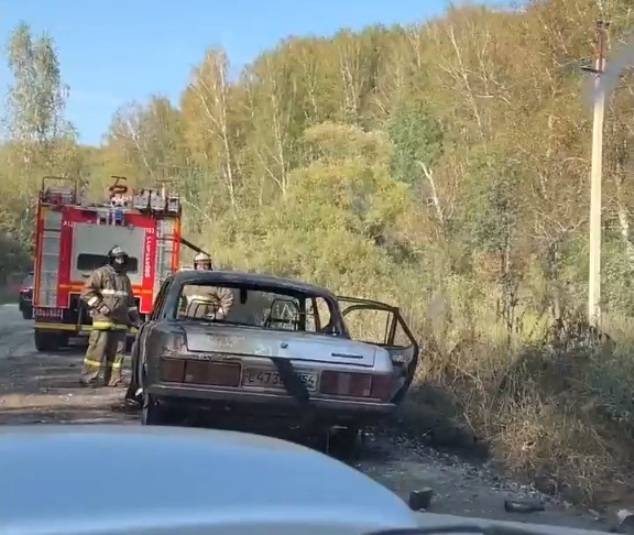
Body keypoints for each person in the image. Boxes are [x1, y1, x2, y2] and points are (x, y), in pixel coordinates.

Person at [80, 246, 140, 387]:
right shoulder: (100, 273)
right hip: (103, 321)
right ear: (111, 259)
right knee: (96, 352)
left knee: (117, 354)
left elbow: (130, 302)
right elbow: (86, 293)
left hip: (120, 323)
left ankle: (114, 379)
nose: (120, 261)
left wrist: (136, 319)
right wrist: (100, 306)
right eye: (118, 258)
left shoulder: (124, 278)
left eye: (122, 259)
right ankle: (89, 377)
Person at [182, 252, 234, 320]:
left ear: (209, 265)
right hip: (189, 320)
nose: (202, 267)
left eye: (205, 264)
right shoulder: (189, 282)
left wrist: (219, 315)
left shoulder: (215, 282)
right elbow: (179, 298)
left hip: (208, 322)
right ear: (195, 266)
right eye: (199, 264)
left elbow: (228, 297)